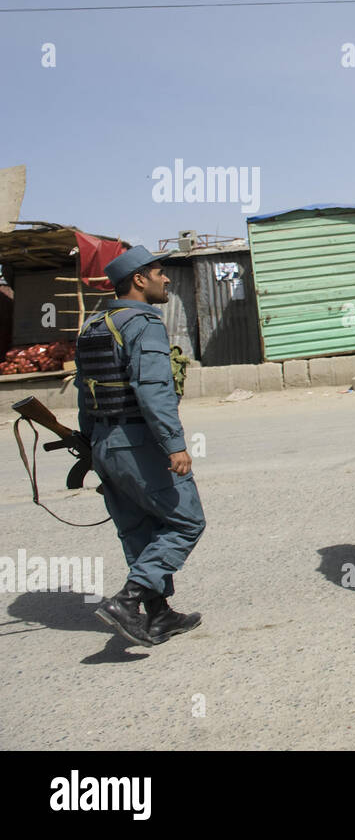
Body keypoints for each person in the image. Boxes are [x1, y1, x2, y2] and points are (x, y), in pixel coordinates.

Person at [77, 245, 205, 647]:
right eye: (159, 272)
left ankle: (159, 616)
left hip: (104, 443)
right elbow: (154, 391)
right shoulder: (143, 323)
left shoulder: (95, 325)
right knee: (187, 521)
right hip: (138, 443)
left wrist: (89, 446)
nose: (166, 279)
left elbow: (85, 393)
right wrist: (175, 446)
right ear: (139, 279)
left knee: (137, 529)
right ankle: (128, 601)